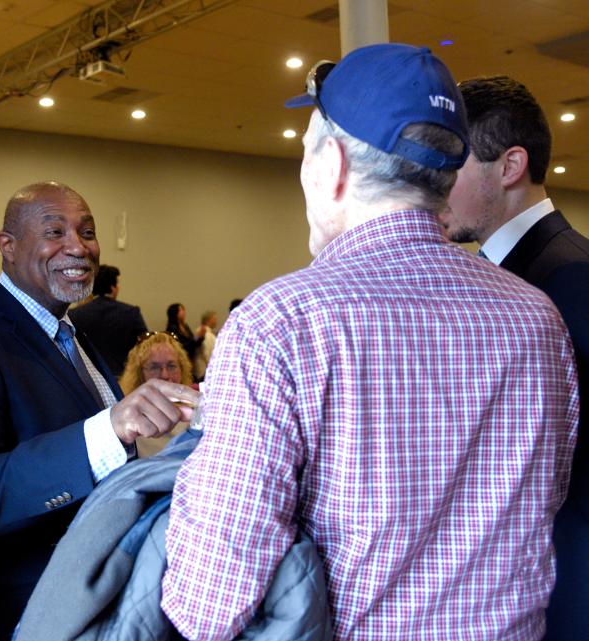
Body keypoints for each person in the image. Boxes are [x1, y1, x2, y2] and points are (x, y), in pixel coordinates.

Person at [162, 44, 579, 641]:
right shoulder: (536, 318)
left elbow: (212, 602)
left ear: (330, 163)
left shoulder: (280, 322)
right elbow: (547, 499)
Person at [0, 181, 199, 641]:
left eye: (87, 232)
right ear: (7, 246)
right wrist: (110, 428)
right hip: (9, 612)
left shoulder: (73, 334)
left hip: (85, 601)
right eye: (55, 232)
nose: (78, 247)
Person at [440, 75, 589, 640]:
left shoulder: (570, 275)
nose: (435, 187)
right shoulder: (504, 279)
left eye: (452, 167)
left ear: (509, 166)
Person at [68, 264, 147, 377]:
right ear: (113, 287)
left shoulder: (74, 314)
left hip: (88, 378)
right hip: (123, 377)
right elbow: (144, 346)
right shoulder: (131, 312)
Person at [119, 331, 193, 394]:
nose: (165, 376)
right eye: (154, 368)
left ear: (182, 369)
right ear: (139, 374)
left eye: (171, 366)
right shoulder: (126, 410)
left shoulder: (197, 406)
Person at [193, 310, 217, 380]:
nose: (216, 321)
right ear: (208, 320)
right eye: (214, 319)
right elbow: (207, 353)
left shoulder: (201, 331)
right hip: (204, 370)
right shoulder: (206, 334)